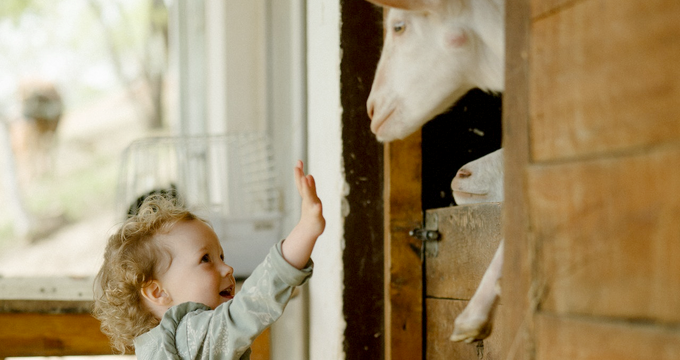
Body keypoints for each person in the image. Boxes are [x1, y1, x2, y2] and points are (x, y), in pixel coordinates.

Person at [93, 160, 325, 359]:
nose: (227, 268)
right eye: (206, 259)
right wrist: (306, 230)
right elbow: (249, 308)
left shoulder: (158, 347)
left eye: (221, 256)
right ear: (158, 292)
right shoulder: (189, 336)